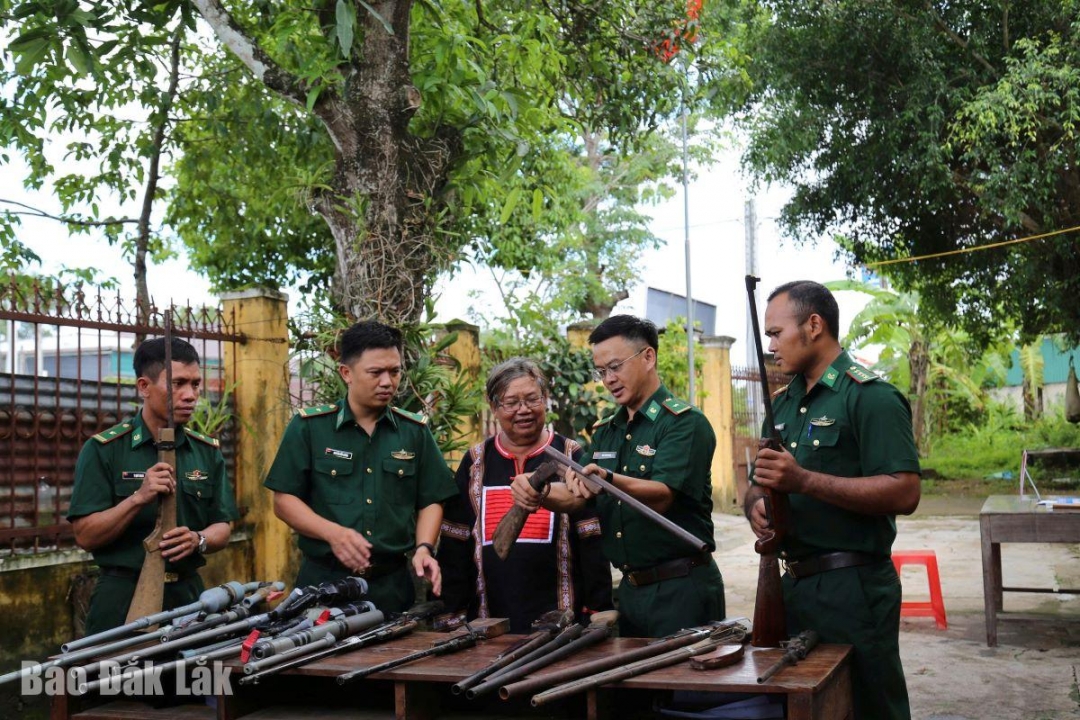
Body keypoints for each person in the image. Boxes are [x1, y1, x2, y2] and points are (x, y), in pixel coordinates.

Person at [745, 280, 921, 720]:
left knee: (868, 706)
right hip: (792, 586)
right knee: (799, 707)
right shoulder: (782, 405)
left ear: (814, 325)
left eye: (776, 333)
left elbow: (905, 490)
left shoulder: (871, 397)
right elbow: (758, 482)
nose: (771, 346)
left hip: (854, 588)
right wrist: (756, 506)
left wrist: (804, 480)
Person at [512, 315, 724, 638]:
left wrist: (608, 478)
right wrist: (539, 493)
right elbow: (580, 492)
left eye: (615, 367)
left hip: (682, 589)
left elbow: (663, 495)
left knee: (687, 672)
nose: (608, 379)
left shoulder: (684, 423)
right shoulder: (607, 430)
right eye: (601, 371)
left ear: (648, 357)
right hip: (630, 592)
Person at [265, 320, 457, 614]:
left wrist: (424, 548)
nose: (387, 382)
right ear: (347, 373)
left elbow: (431, 498)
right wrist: (333, 533)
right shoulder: (310, 428)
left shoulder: (414, 432)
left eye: (394, 372)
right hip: (324, 583)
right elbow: (284, 500)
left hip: (391, 587)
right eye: (375, 372)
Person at [68, 337, 238, 635]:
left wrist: (198, 539)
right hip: (122, 596)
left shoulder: (205, 452)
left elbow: (223, 526)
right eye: (177, 384)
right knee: (116, 667)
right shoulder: (105, 450)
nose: (190, 395)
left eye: (195, 384)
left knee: (196, 667)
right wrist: (138, 498)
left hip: (187, 599)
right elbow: (85, 535)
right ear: (144, 386)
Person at [437, 358, 613, 633]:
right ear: (494, 406)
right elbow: (455, 545)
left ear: (545, 399)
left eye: (532, 399)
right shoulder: (475, 462)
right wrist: (452, 616)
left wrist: (597, 610)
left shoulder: (570, 455)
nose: (523, 410)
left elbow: (592, 539)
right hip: (488, 622)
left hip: (562, 626)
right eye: (511, 403)